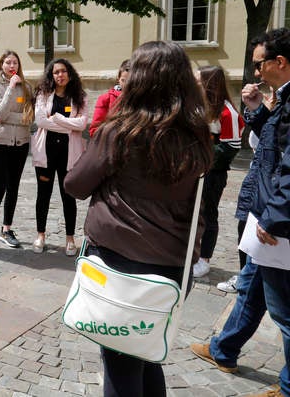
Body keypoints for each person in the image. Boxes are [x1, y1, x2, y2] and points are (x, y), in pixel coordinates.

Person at [65, 41, 213, 397]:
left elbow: (75, 184)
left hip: (121, 266)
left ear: (140, 80)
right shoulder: (197, 134)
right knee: (147, 355)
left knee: (120, 365)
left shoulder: (120, 131)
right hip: (173, 268)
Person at [190, 28, 290, 397]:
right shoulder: (280, 97)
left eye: (260, 64)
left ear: (279, 62)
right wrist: (256, 110)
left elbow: (289, 167)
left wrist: (275, 217)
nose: (257, 73)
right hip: (265, 212)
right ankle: (224, 349)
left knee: (283, 310)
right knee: (251, 287)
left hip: (277, 222)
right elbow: (268, 142)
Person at [32, 58, 88, 256]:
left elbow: (82, 124)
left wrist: (57, 119)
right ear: (51, 75)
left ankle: (70, 239)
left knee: (68, 197)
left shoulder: (79, 96)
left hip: (69, 155)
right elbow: (40, 121)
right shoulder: (43, 94)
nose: (60, 75)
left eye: (63, 71)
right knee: (43, 195)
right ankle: (41, 235)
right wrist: (67, 126)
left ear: (69, 73)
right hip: (46, 154)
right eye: (56, 72)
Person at [192, 65, 245, 278]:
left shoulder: (227, 113)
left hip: (212, 174)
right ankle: (192, 254)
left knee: (208, 214)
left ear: (209, 84)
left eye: (198, 82)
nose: (194, 85)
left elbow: (229, 148)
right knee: (193, 213)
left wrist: (202, 157)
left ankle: (204, 259)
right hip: (197, 171)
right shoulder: (201, 107)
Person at [0, 50, 34, 255]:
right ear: (1, 65)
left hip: (20, 143)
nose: (12, 66)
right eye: (8, 62)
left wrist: (5, 117)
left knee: (13, 188)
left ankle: (7, 230)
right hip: (0, 142)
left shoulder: (27, 87)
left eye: (15, 62)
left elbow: (28, 117)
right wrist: (11, 88)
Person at [89, 59, 129, 137]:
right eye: (123, 80)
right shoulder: (105, 99)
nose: (126, 84)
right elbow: (94, 130)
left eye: (130, 81)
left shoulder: (141, 99)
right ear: (118, 79)